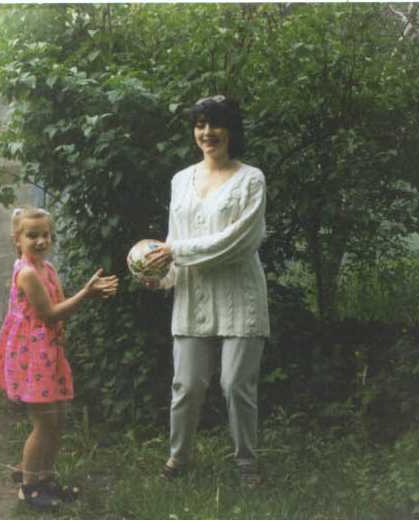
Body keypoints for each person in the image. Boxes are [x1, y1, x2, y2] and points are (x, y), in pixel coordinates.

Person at [144, 95, 269, 487]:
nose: (207, 132)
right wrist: (160, 275)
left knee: (236, 385)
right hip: (193, 295)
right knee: (186, 384)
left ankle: (246, 462)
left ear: (231, 130)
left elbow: (241, 241)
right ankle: (178, 457)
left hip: (239, 294)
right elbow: (173, 239)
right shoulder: (181, 179)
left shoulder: (251, 179)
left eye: (216, 124)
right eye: (200, 125)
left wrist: (176, 252)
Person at [0, 207, 118, 510]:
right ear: (17, 239)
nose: (40, 240)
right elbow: (49, 314)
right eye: (31, 235)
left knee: (57, 420)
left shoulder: (47, 268)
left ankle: (46, 479)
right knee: (44, 424)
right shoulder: (27, 273)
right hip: (31, 356)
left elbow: (60, 306)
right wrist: (86, 293)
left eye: (45, 234)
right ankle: (28, 487)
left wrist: (70, 319)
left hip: (48, 351)